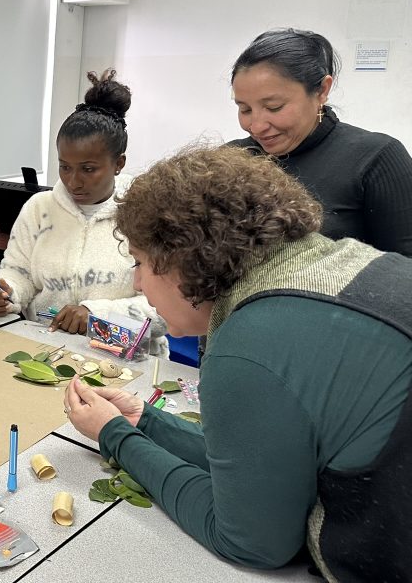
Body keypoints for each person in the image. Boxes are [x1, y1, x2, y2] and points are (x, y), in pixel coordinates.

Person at [64, 146, 412, 579]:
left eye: (140, 263)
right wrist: (144, 422)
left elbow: (252, 542)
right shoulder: (329, 265)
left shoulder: (248, 345)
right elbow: (260, 462)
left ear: (180, 259)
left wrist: (115, 437)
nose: (136, 282)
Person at [0, 71, 166, 348]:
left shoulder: (148, 213)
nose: (73, 181)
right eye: (64, 167)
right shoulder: (39, 209)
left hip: (124, 357)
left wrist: (97, 315)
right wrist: (5, 293)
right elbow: (17, 273)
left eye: (88, 169)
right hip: (44, 347)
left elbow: (167, 311)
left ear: (119, 163)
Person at [230, 27, 412, 255]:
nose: (256, 126)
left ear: (322, 91)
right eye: (245, 109)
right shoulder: (231, 160)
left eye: (274, 107)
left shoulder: (376, 158)